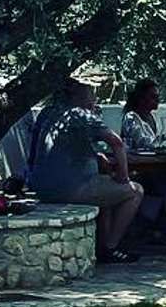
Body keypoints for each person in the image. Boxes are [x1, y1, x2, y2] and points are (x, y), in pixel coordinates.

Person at [29, 76, 143, 263]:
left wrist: (96, 156)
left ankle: (100, 244)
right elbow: (116, 143)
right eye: (92, 95)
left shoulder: (47, 113)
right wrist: (123, 176)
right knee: (135, 191)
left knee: (105, 191)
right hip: (72, 189)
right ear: (83, 97)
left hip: (42, 187)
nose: (95, 100)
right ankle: (110, 248)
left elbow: (59, 147)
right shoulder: (81, 115)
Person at [120, 78, 163, 151]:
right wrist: (163, 138)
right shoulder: (131, 118)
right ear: (141, 98)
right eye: (153, 97)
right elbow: (142, 143)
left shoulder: (153, 116)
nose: (157, 100)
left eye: (158, 96)